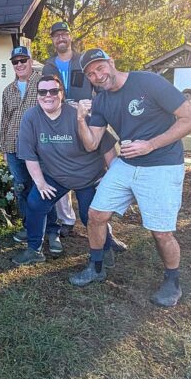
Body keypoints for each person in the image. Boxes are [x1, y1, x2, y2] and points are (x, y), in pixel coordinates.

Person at [70, 48, 191, 307]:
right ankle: (96, 266)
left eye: (100, 68)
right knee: (95, 215)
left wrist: (151, 145)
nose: (98, 76)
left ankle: (172, 281)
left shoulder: (148, 82)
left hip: (161, 163)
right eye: (91, 74)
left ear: (112, 62)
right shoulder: (100, 101)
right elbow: (91, 144)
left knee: (161, 232)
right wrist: (80, 120)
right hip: (127, 163)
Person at [11, 75, 120, 266]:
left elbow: (107, 145)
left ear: (62, 94)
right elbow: (29, 155)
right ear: (37, 96)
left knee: (90, 217)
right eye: (43, 92)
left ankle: (106, 247)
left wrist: (112, 178)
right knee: (35, 203)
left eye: (54, 91)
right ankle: (34, 250)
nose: (48, 96)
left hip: (88, 177)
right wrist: (41, 183)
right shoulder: (31, 117)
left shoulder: (79, 115)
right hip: (56, 176)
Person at [42, 21, 97, 237]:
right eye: (56, 36)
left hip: (86, 121)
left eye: (64, 34)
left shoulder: (84, 60)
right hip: (60, 123)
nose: (61, 38)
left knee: (91, 172)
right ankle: (66, 219)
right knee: (60, 169)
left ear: (70, 36)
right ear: (53, 40)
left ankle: (99, 224)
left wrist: (91, 107)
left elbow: (98, 90)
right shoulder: (48, 66)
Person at [0, 45, 47, 242]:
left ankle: (50, 231)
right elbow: (4, 121)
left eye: (23, 60)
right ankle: (29, 227)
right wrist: (3, 149)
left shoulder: (42, 82)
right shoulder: (8, 90)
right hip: (13, 148)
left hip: (38, 149)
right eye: (15, 62)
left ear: (30, 60)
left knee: (42, 188)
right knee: (21, 189)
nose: (19, 64)